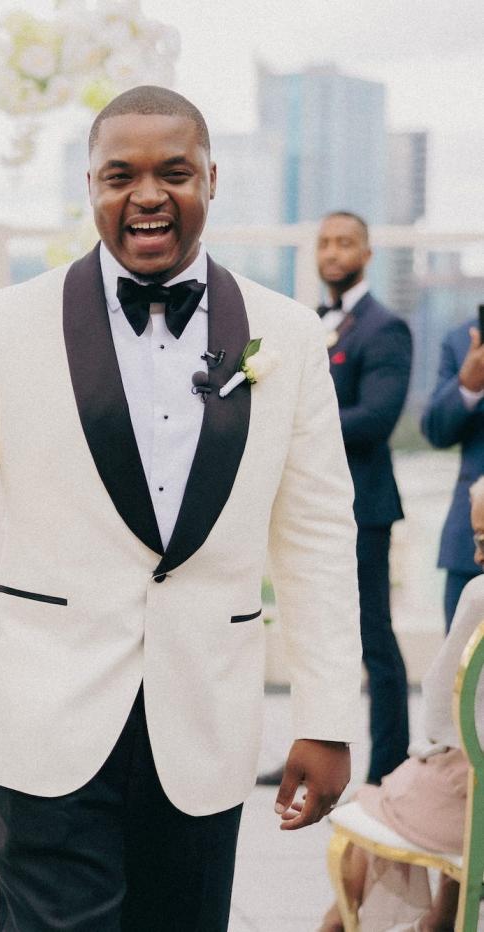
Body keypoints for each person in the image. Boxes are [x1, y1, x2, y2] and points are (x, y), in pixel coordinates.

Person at [0, 85, 362, 928]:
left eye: (173, 172)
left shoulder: (286, 336)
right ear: (92, 188)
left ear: (211, 180)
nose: (147, 194)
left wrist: (327, 717)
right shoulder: (9, 324)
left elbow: (320, 537)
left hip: (206, 724)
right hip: (45, 716)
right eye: (121, 175)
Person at [260, 211, 412, 787]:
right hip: (305, 506)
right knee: (306, 628)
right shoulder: (308, 323)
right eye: (324, 243)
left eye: (345, 243)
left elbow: (376, 419)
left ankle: (388, 772)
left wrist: (293, 421)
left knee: (373, 639)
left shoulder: (385, 327)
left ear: (367, 253)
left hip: (364, 508)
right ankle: (308, 749)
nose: (333, 252)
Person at [318, 477, 484, 932]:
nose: (476, 558)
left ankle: (337, 927)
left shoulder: (479, 596)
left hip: (476, 803)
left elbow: (441, 708)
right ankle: (441, 918)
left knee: (375, 803)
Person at [422, 316, 484, 628]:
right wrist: (468, 385)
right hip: (473, 540)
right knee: (463, 668)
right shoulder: (462, 338)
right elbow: (435, 431)